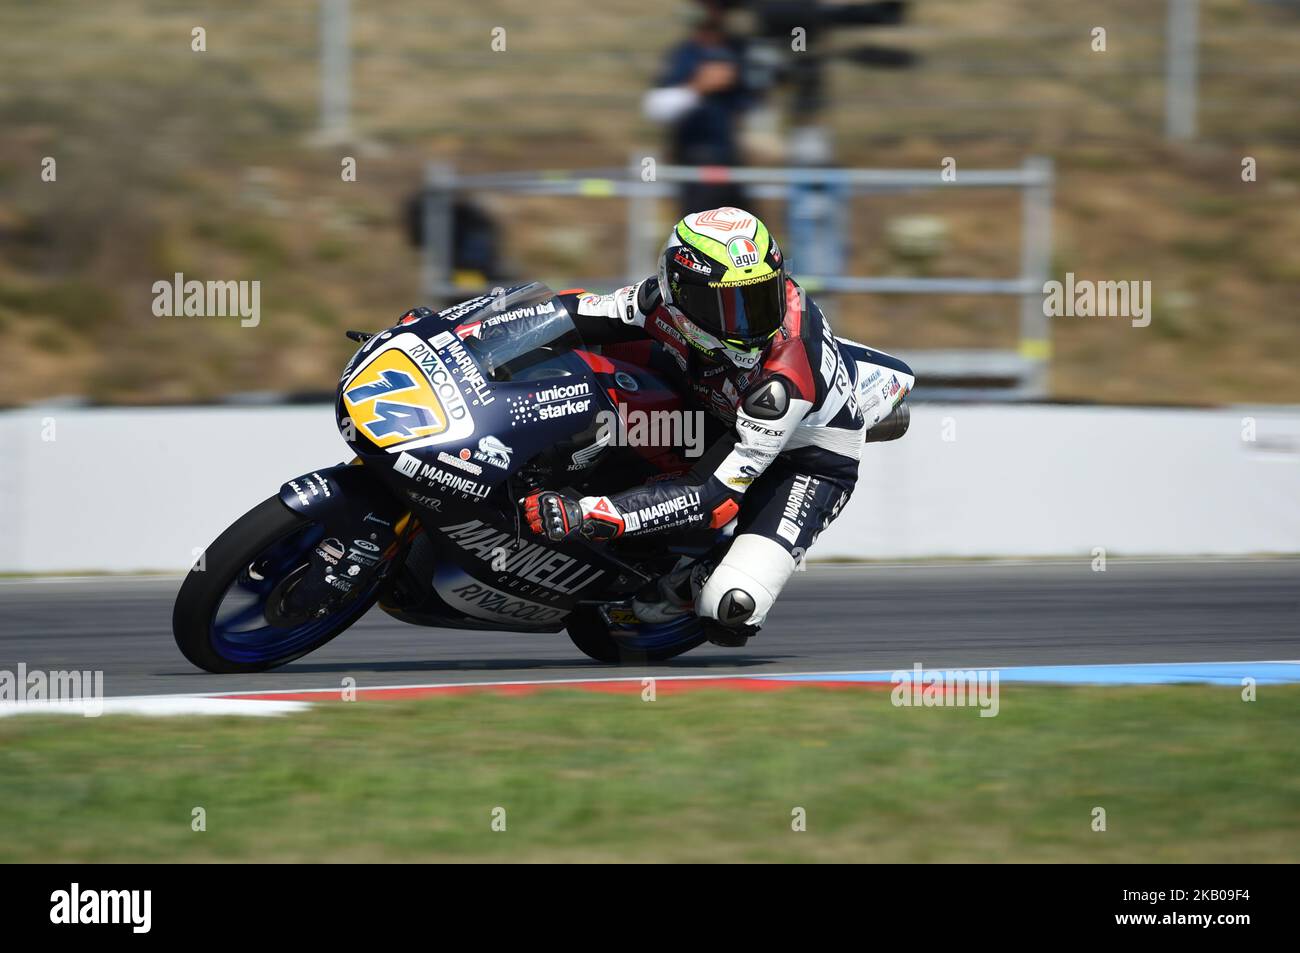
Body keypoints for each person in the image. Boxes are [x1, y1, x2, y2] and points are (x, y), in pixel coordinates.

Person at [520, 207, 867, 645]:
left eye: (762, 299)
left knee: (730, 609)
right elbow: (573, 312)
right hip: (715, 400)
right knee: (589, 346)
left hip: (802, 461)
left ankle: (695, 576)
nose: (752, 323)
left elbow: (713, 495)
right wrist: (458, 330)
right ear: (678, 292)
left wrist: (590, 514)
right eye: (728, 305)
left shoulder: (782, 380)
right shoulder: (658, 299)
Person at [643, 1, 755, 216]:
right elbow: (655, 107)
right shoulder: (684, 55)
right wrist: (699, 87)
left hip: (731, 159)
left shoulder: (739, 51)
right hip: (695, 161)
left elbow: (752, 101)